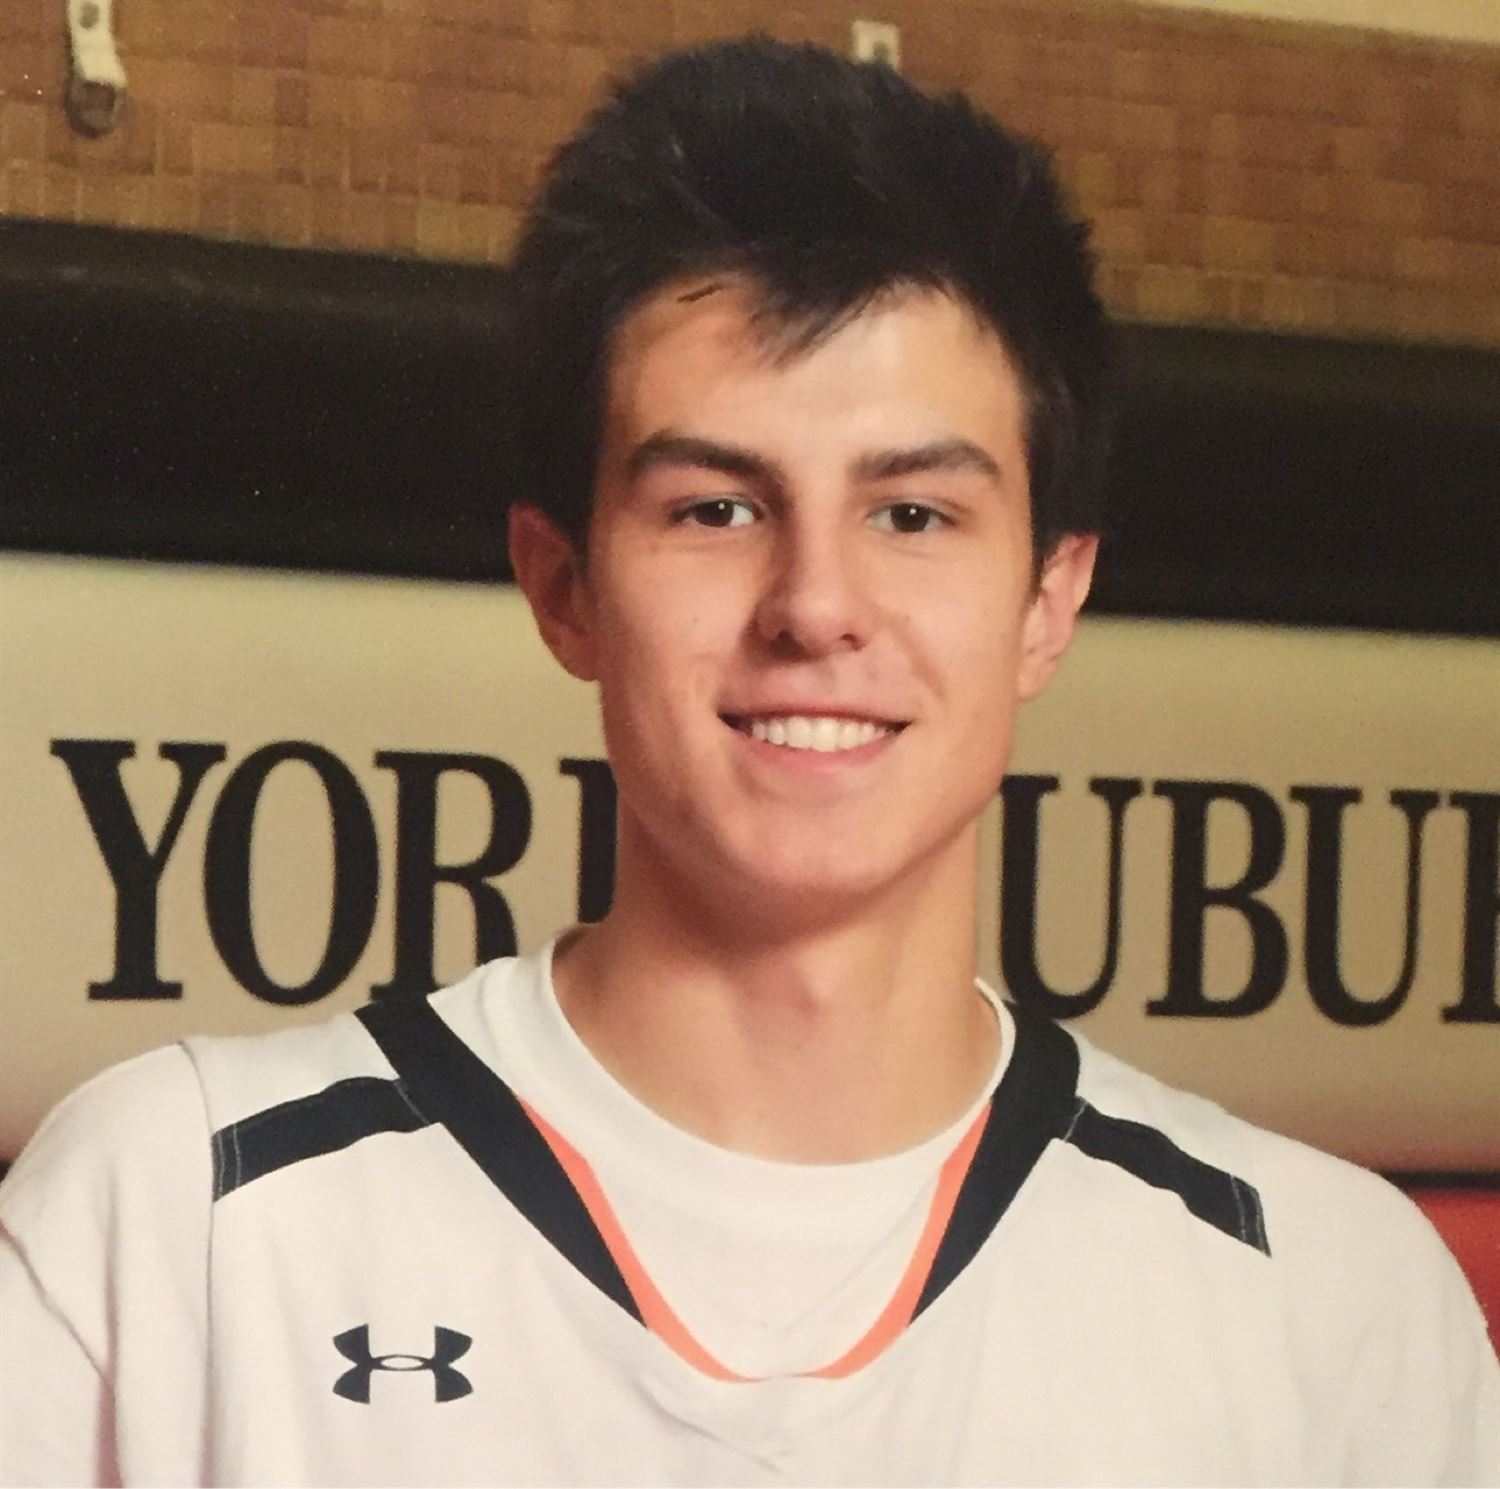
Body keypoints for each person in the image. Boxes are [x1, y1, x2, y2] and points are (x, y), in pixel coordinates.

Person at [2, 35, 1495, 1488]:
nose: (816, 607)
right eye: (716, 508)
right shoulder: (178, 1212)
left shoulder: (1331, 1301)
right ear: (563, 585)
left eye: (913, 514)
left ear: (1049, 601)